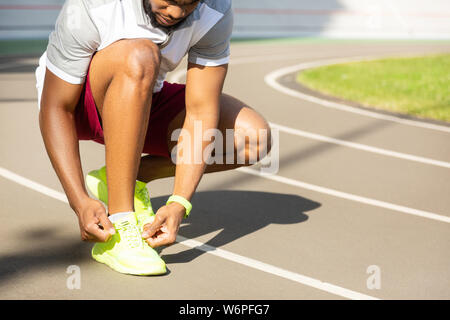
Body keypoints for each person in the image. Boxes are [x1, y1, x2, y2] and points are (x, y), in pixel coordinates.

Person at [36, 0, 271, 275]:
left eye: (189, 4)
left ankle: (124, 178)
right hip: (79, 107)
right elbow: (55, 107)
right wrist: (79, 200)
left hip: (143, 95)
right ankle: (121, 226)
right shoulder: (93, 5)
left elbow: (201, 112)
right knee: (140, 54)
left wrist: (179, 201)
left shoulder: (216, 10)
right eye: (169, 0)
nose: (175, 12)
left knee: (252, 137)